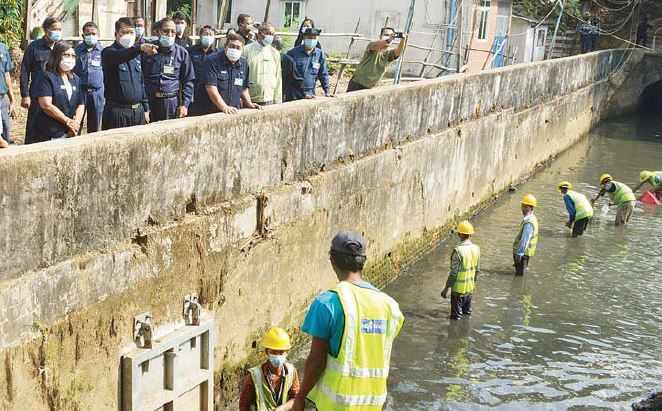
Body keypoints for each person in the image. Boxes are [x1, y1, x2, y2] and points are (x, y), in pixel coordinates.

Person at [293, 231, 404, 411]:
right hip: (375, 403)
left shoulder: (327, 303)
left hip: (337, 404)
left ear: (332, 260)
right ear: (363, 261)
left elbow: (317, 361)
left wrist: (300, 398)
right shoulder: (390, 306)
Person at [101, 17, 158, 130]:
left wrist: (146, 108)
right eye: (124, 32)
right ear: (116, 34)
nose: (128, 35)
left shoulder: (136, 55)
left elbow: (141, 82)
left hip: (138, 112)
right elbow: (122, 55)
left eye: (131, 32)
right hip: (118, 113)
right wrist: (140, 48)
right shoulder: (108, 53)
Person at [191, 33, 260, 115]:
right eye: (232, 46)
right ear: (225, 47)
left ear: (242, 50)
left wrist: (249, 103)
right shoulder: (212, 61)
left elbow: (244, 88)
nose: (234, 50)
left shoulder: (244, 63)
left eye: (238, 48)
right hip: (211, 111)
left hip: (233, 110)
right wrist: (224, 107)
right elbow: (211, 87)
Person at [141, 17, 195, 122]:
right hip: (149, 102)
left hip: (171, 103)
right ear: (158, 32)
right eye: (165, 31)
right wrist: (144, 107)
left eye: (173, 32)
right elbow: (139, 78)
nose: (169, 34)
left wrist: (185, 105)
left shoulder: (181, 53)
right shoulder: (148, 50)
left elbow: (189, 80)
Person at [29, 42, 84, 143]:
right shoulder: (45, 76)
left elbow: (81, 104)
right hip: (49, 131)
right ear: (57, 55)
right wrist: (67, 121)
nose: (70, 58)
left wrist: (75, 124)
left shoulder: (75, 79)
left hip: (70, 132)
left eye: (73, 56)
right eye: (66, 55)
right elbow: (46, 105)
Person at [21, 17, 62, 143]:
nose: (58, 32)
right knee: (34, 126)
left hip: (57, 93)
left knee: (55, 124)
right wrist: (25, 95)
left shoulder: (61, 48)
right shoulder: (34, 47)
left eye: (60, 29)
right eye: (55, 29)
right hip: (37, 94)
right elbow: (25, 71)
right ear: (46, 30)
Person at [239, 327, 300, 411]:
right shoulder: (254, 376)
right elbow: (244, 405)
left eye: (281, 352)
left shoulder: (291, 372)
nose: (277, 356)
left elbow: (296, 398)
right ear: (267, 351)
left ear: (287, 353)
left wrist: (281, 409)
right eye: (274, 352)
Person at [347, 27, 408, 92]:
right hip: (357, 83)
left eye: (391, 35)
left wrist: (403, 40)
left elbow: (398, 52)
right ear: (380, 36)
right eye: (386, 35)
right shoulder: (373, 45)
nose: (389, 37)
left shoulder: (389, 54)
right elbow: (377, 44)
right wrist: (388, 40)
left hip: (372, 87)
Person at [441, 221, 480, 320]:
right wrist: (473, 284)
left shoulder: (458, 251)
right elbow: (477, 270)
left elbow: (454, 273)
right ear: (470, 234)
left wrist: (446, 289)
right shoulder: (476, 249)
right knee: (467, 314)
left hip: (458, 291)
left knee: (455, 318)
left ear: (459, 234)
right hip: (469, 290)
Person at [74, 21, 105, 133]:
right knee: (76, 124)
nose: (91, 36)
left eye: (93, 34)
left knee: (95, 126)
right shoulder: (75, 51)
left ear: (97, 35)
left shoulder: (103, 52)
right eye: (88, 34)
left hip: (97, 93)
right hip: (79, 93)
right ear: (83, 35)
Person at [285, 28, 331, 101]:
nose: (312, 40)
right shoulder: (292, 53)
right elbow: (288, 75)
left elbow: (323, 74)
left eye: (314, 38)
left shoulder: (319, 55)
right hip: (293, 93)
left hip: (310, 93)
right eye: (309, 38)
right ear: (304, 38)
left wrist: (327, 91)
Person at [243, 22, 282, 106]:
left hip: (269, 97)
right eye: (268, 34)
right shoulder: (246, 50)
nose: (270, 37)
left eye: (272, 35)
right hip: (250, 98)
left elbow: (278, 77)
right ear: (260, 34)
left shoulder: (275, 53)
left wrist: (277, 100)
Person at [513, 194, 539, 276]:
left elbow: (525, 239)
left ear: (531, 208)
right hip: (526, 253)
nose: (522, 209)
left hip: (522, 254)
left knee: (519, 275)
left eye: (525, 207)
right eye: (522, 206)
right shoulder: (532, 218)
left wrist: (519, 254)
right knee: (522, 274)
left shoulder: (529, 222)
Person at [0, 39, 17, 147]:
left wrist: (12, 100)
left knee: (5, 129)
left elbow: (6, 75)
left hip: (2, 99)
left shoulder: (2, 47)